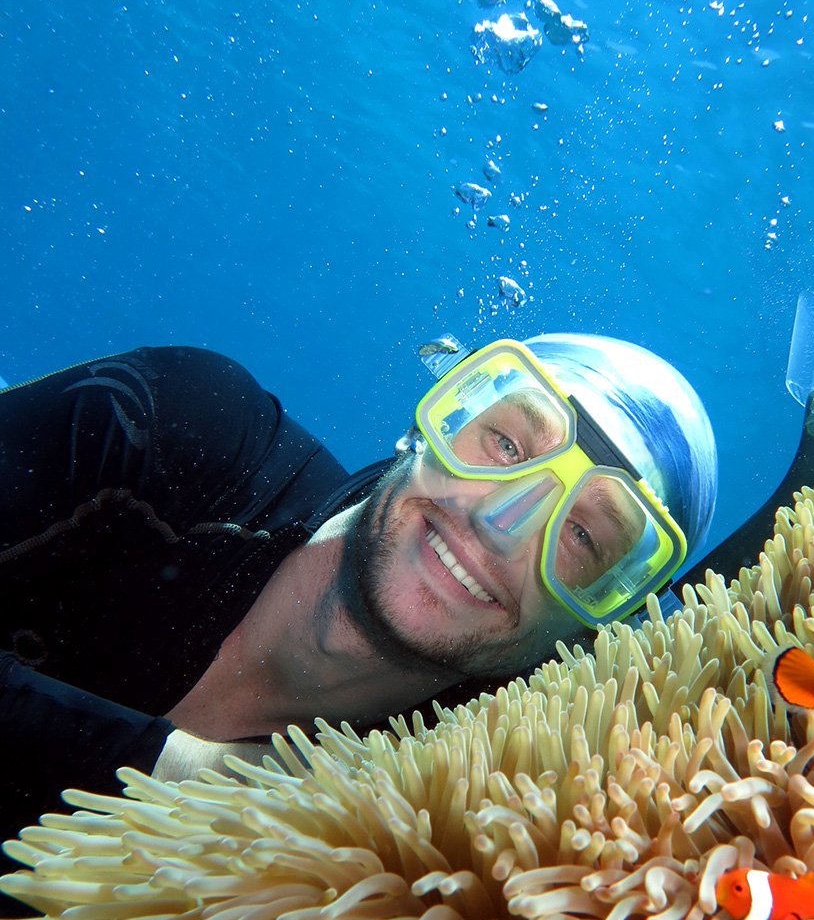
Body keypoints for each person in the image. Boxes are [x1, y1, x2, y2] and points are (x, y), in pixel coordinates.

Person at [0, 335, 717, 841]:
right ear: (435, 417)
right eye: (505, 444)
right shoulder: (183, 428)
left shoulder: (460, 809)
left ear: (585, 630)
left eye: (583, 535)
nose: (501, 521)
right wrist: (184, 774)